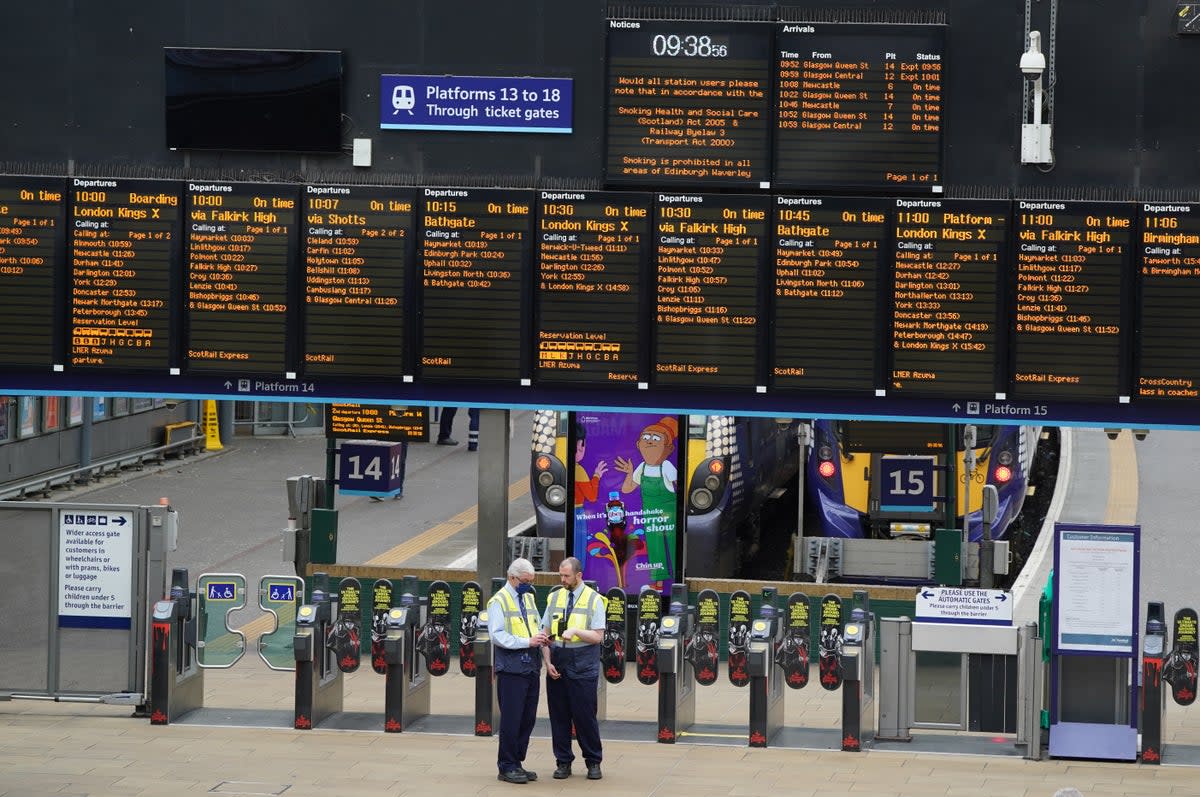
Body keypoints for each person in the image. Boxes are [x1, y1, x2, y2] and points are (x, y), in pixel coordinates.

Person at [541, 557, 605, 780]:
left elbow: (598, 636)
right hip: (558, 661)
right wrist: (547, 662)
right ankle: (563, 762)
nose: (563, 579)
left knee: (584, 716)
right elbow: (546, 633)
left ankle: (593, 761)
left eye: (566, 576)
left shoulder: (594, 599)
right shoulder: (554, 596)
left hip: (583, 664)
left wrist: (577, 630)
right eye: (560, 575)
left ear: (579, 575)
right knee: (558, 716)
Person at [487, 557, 549, 784]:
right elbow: (497, 635)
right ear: (512, 578)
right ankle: (507, 765)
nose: (528, 584)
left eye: (531, 581)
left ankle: (517, 762)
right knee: (512, 719)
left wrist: (541, 638)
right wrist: (527, 641)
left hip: (531, 667)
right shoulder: (499, 601)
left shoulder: (529, 597)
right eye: (525, 580)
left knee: (527, 719)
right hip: (512, 670)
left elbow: (534, 625)